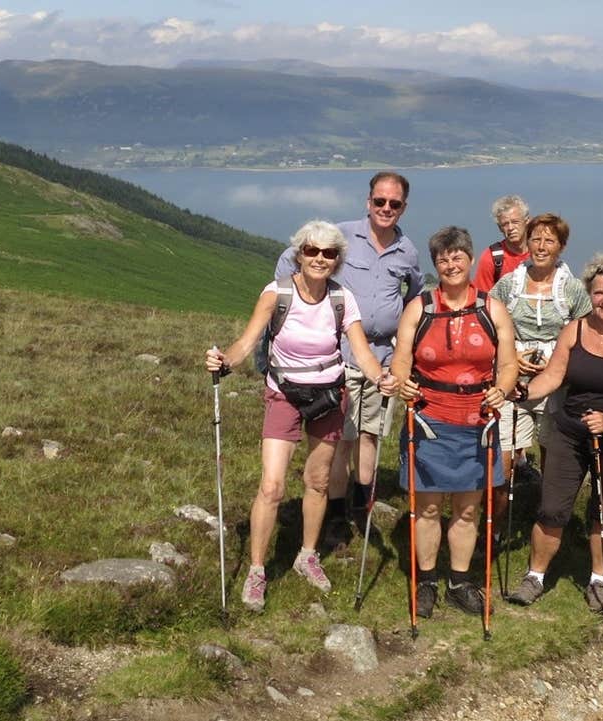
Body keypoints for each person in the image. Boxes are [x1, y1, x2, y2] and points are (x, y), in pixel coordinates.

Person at [206, 220, 393, 612]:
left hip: (328, 394)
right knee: (272, 486)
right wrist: (225, 361)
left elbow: (360, 351)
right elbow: (248, 340)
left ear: (338, 260)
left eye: (328, 253)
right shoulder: (276, 295)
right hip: (284, 394)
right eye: (312, 251)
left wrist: (382, 378)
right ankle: (257, 570)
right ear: (299, 253)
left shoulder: (343, 299)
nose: (320, 259)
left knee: (319, 480)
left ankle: (307, 555)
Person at [273, 172, 423, 538]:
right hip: (340, 356)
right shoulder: (342, 237)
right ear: (368, 201)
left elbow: (415, 293)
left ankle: (362, 505)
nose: (386, 208)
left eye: (394, 204)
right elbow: (291, 258)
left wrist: (401, 329)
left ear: (404, 208)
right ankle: (338, 514)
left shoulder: (408, 251)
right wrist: (284, 302)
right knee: (341, 438)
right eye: (380, 201)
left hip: (382, 358)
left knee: (370, 436)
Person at [507, 254, 603, 613]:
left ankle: (597, 581)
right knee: (551, 507)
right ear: (590, 293)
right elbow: (554, 375)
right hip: (570, 430)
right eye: (599, 292)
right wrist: (526, 391)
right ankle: (535, 577)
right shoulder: (574, 329)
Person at [390, 226, 518, 616]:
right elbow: (401, 358)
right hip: (429, 419)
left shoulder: (492, 309)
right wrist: (401, 383)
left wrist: (503, 387)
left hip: (478, 422)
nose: (451, 263)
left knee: (467, 509)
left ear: (469, 257)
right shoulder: (421, 307)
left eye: (457, 256)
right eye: (442, 258)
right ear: (436, 264)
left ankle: (459, 581)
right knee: (426, 508)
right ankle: (426, 580)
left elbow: (509, 362)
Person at [488, 213, 592, 525]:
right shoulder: (508, 285)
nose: (541, 246)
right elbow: (488, 324)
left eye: (549, 240)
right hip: (511, 381)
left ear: (561, 246)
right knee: (502, 455)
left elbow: (587, 332)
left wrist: (562, 360)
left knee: (553, 455)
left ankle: (548, 519)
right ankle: (493, 525)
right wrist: (508, 355)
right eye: (536, 239)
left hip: (557, 383)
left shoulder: (572, 289)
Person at [471, 194, 531, 295]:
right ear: (500, 228)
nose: (510, 228)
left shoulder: (540, 253)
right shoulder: (491, 258)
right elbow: (481, 300)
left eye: (515, 222)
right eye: (505, 224)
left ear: (527, 221)